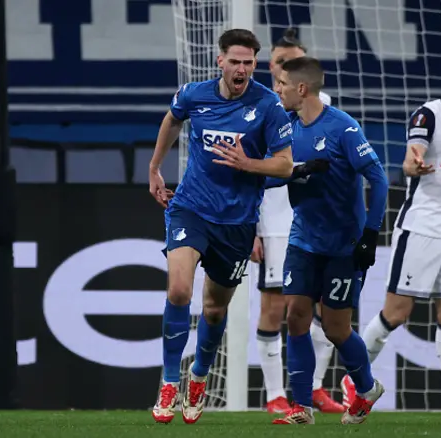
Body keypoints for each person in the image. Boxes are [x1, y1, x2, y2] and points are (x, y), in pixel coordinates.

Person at [149, 28, 304, 424]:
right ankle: (169, 383)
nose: (241, 69)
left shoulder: (268, 106)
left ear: (256, 64)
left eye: (248, 63)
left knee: (215, 309)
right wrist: (154, 168)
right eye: (234, 61)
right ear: (220, 61)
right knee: (179, 288)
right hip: (191, 208)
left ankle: (199, 375)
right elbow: (172, 120)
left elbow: (285, 165)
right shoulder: (193, 95)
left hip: (236, 222)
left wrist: (248, 164)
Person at [341, 61, 441, 417]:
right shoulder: (428, 115)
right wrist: (415, 164)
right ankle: (354, 379)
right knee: (396, 313)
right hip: (419, 229)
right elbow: (408, 162)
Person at [270, 57, 389, 425]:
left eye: (283, 85)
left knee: (337, 329)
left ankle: (367, 388)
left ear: (301, 89)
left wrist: (370, 234)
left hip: (343, 246)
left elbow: (380, 180)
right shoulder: (285, 128)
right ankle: (301, 407)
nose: (278, 91)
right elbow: (270, 176)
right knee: (296, 317)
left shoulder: (343, 128)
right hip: (303, 239)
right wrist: (297, 170)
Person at [252, 28, 343, 415]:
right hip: (273, 220)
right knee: (276, 308)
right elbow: (250, 172)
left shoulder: (326, 108)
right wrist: (250, 228)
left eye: (293, 62)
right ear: (271, 66)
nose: (284, 68)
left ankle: (317, 388)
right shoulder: (255, 107)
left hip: (315, 219)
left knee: (325, 306)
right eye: (279, 61)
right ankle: (275, 393)